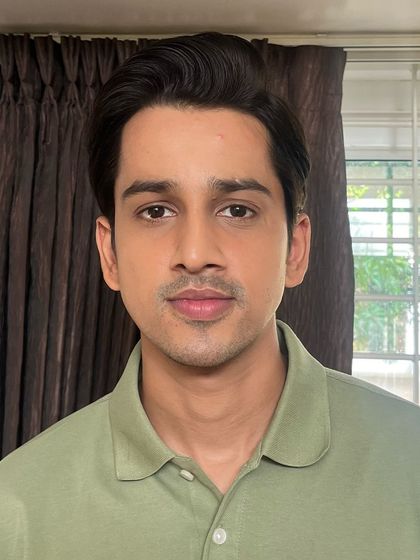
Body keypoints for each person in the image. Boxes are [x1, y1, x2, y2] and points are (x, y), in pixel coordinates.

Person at [1, 32, 419, 560]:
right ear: (110, 254)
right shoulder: (14, 506)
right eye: (156, 210)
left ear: (295, 248)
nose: (196, 254)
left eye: (237, 210)